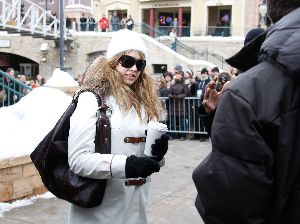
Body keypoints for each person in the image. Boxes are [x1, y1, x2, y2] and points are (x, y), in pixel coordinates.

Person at [192, 1, 300, 223]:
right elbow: (244, 158)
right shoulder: (246, 91)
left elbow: (232, 204)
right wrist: (214, 115)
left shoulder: (250, 91)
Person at [67, 29, 169, 224]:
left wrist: (157, 156)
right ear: (113, 62)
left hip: (135, 207)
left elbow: (144, 158)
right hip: (99, 210)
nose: (134, 69)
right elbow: (78, 160)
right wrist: (126, 165)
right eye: (127, 61)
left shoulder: (143, 103)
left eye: (140, 64)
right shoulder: (92, 99)